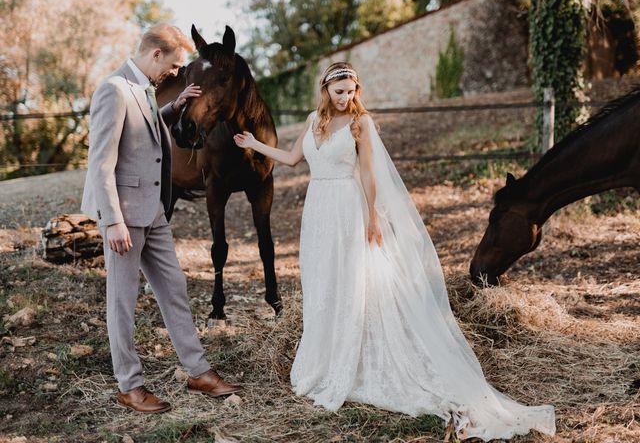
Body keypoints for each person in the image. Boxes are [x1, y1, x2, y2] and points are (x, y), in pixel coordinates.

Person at [233, 62, 556, 440]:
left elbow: (369, 173)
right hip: (318, 212)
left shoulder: (361, 124)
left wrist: (371, 216)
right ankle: (324, 355)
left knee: (354, 281)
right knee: (323, 282)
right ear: (325, 90)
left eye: (351, 91)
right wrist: (254, 144)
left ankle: (355, 357)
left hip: (349, 209)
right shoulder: (312, 120)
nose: (346, 98)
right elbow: (290, 159)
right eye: (339, 92)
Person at [81, 24, 240, 414]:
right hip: (124, 216)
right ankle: (129, 384)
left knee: (174, 288)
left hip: (153, 209)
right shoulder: (113, 89)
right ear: (156, 55)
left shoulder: (143, 89)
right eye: (173, 65)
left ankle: (197, 370)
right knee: (122, 301)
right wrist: (113, 221)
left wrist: (177, 105)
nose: (174, 73)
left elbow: (144, 126)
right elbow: (100, 163)